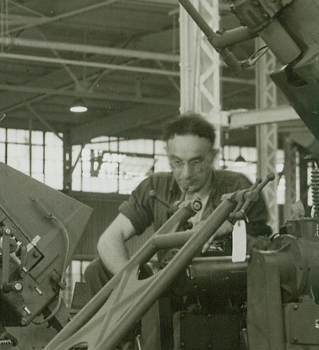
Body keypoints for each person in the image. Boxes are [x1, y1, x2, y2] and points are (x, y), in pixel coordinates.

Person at [85, 112, 274, 293]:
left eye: (196, 163)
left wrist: (232, 231)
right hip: (168, 288)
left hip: (219, 292)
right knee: (98, 269)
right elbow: (109, 239)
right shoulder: (155, 187)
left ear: (212, 156)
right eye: (177, 162)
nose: (186, 174)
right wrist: (128, 282)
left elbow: (265, 251)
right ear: (167, 154)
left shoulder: (240, 188)